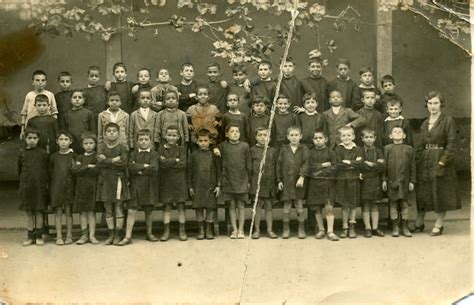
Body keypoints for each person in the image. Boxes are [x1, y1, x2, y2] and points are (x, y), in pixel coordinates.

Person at [413, 91, 461, 236]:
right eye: (430, 103)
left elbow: (452, 144)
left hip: (440, 158)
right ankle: (419, 221)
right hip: (425, 160)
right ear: (426, 105)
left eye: (436, 103)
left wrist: (442, 162)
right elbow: (420, 143)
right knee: (422, 191)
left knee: (439, 190)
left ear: (441, 104)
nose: (433, 106)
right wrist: (418, 159)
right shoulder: (425, 123)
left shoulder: (448, 121)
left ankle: (439, 224)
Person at [120, 129, 160, 245]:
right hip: (135, 185)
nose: (143, 142)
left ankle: (149, 233)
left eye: (146, 139)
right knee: (132, 210)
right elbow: (130, 168)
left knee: (149, 211)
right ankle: (128, 236)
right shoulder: (132, 154)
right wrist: (144, 166)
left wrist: (139, 168)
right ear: (137, 141)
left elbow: (154, 169)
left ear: (150, 141)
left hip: (149, 185)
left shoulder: (154, 154)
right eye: (141, 139)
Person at [97, 122, 131, 245]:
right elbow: (99, 162)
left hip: (118, 179)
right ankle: (110, 234)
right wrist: (113, 160)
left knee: (118, 207)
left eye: (114, 131)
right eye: (109, 131)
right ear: (105, 134)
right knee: (108, 208)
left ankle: (118, 234)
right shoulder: (101, 146)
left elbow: (123, 163)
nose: (111, 133)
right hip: (105, 179)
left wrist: (106, 160)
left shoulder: (122, 147)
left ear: (118, 133)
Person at [302, 130, 338, 241]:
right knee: (316, 207)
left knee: (329, 207)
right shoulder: (310, 152)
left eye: (320, 138)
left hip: (327, 182)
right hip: (314, 183)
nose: (318, 140)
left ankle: (330, 231)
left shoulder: (331, 152)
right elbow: (310, 166)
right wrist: (323, 165)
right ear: (313, 140)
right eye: (315, 138)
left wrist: (322, 172)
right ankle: (321, 229)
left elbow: (335, 167)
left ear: (325, 139)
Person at [188, 129, 221, 240]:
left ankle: (208, 230)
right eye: (200, 140)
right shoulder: (193, 155)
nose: (203, 143)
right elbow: (190, 172)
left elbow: (219, 170)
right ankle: (201, 230)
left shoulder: (214, 155)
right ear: (197, 142)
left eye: (205, 140)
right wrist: (190, 186)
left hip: (211, 184)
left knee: (210, 207)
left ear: (210, 141)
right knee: (199, 207)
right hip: (198, 185)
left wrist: (218, 185)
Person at [218, 124, 251, 239]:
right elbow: (214, 149)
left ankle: (241, 230)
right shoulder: (223, 146)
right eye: (232, 131)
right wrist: (215, 149)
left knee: (241, 205)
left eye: (237, 131)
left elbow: (248, 164)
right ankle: (234, 230)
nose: (235, 133)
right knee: (231, 205)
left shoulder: (245, 146)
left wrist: (248, 180)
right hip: (228, 179)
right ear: (227, 134)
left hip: (242, 179)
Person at [18, 128, 49, 246]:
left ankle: (39, 236)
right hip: (26, 186)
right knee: (29, 212)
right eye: (29, 138)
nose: (32, 140)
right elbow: (19, 169)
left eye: (34, 138)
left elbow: (46, 170)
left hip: (39, 187)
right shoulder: (22, 152)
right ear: (25, 139)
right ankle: (30, 236)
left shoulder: (43, 153)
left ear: (38, 139)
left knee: (39, 211)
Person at [383, 126, 415, 237]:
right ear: (390, 136)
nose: (397, 133)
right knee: (393, 204)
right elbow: (384, 166)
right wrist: (384, 180)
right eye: (395, 132)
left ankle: (405, 226)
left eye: (400, 131)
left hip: (404, 181)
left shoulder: (409, 149)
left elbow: (412, 166)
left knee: (404, 204)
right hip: (392, 181)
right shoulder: (387, 148)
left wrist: (412, 181)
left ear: (404, 135)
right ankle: (395, 227)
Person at [277, 126, 309, 239]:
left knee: (299, 204)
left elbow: (306, 163)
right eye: (292, 135)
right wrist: (279, 180)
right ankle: (286, 229)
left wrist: (302, 176)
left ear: (300, 136)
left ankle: (301, 228)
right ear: (287, 137)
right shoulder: (284, 149)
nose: (294, 137)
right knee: (287, 205)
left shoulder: (304, 149)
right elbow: (279, 165)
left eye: (296, 135)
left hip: (299, 181)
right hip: (286, 181)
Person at [158, 125, 188, 241]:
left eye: (174, 135)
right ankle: (166, 231)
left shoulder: (181, 149)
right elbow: (162, 165)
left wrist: (168, 162)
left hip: (179, 181)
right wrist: (175, 160)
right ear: (165, 136)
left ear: (178, 137)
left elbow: (182, 165)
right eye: (169, 135)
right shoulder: (161, 149)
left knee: (181, 205)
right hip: (166, 181)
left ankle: (182, 231)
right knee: (167, 206)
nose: (171, 138)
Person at [334, 126, 363, 238]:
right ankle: (345, 226)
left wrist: (348, 162)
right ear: (340, 137)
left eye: (348, 135)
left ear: (353, 136)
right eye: (343, 136)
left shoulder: (358, 149)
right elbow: (338, 164)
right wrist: (353, 163)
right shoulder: (338, 149)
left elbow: (360, 164)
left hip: (354, 179)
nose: (346, 138)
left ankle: (352, 226)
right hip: (342, 179)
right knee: (344, 204)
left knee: (353, 204)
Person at [249, 127, 278, 239]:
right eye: (260, 135)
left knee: (269, 207)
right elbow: (249, 168)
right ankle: (257, 230)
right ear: (256, 137)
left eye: (265, 135)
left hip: (269, 183)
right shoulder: (252, 150)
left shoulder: (273, 151)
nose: (262, 137)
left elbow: (276, 167)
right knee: (257, 207)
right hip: (256, 183)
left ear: (269, 138)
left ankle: (270, 230)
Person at [72, 133, 100, 245]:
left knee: (91, 212)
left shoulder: (97, 157)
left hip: (92, 187)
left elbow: (97, 170)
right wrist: (88, 166)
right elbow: (75, 170)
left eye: (91, 143)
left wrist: (82, 168)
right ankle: (84, 235)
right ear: (82, 145)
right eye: (86, 143)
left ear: (95, 144)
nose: (88, 145)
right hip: (81, 187)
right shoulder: (79, 157)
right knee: (82, 212)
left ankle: (92, 235)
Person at [49, 131, 76, 245]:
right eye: (61, 139)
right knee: (58, 212)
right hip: (57, 187)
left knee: (68, 212)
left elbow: (75, 171)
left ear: (70, 142)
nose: (63, 142)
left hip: (69, 187)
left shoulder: (73, 156)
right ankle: (59, 235)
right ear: (57, 141)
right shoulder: (53, 157)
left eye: (66, 139)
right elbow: (50, 173)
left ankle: (69, 235)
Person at [360, 129, 385, 238]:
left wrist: (370, 164)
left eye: (371, 137)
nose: (369, 139)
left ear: (375, 138)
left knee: (374, 204)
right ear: (362, 139)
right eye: (366, 137)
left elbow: (382, 166)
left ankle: (375, 227)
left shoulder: (379, 151)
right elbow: (359, 164)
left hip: (376, 180)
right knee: (365, 204)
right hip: (365, 181)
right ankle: (367, 228)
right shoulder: (360, 151)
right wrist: (366, 164)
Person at [20, 70, 58, 138]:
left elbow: (54, 112)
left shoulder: (50, 94)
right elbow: (24, 113)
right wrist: (22, 130)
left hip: (45, 127)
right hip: (31, 126)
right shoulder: (29, 95)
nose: (40, 82)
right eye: (37, 80)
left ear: (46, 82)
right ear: (33, 82)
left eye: (43, 80)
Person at [60, 89, 96, 154]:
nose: (77, 99)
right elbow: (64, 132)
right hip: (72, 145)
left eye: (80, 97)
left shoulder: (89, 113)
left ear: (84, 100)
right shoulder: (66, 114)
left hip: (86, 145)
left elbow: (93, 131)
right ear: (71, 100)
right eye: (74, 97)